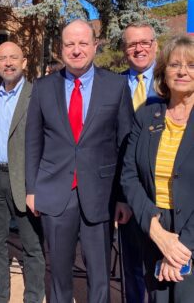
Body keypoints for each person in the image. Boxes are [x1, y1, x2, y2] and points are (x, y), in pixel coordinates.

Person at [25, 19, 134, 303]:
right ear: (60, 48)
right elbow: (33, 141)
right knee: (59, 275)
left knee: (99, 276)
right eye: (69, 44)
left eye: (83, 43)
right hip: (55, 192)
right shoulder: (43, 87)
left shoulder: (115, 86)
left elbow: (125, 144)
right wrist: (31, 189)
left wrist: (123, 197)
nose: (76, 50)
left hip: (101, 194)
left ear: (95, 45)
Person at [121, 35, 194, 302]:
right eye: (175, 64)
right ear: (164, 72)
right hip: (153, 226)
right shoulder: (147, 115)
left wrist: (180, 246)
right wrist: (156, 232)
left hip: (191, 231)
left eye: (191, 65)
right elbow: (129, 175)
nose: (183, 71)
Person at [0, 42, 45, 303]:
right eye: (2, 59)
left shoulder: (38, 96)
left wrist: (39, 185)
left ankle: (32, 297)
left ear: (24, 62)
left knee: (32, 246)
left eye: (13, 57)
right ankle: (0, 296)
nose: (8, 62)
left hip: (25, 180)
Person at [120, 21, 161, 303]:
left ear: (155, 45)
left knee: (163, 267)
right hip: (128, 190)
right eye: (132, 44)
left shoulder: (170, 82)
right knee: (131, 266)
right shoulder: (113, 84)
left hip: (165, 192)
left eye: (144, 42)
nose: (139, 49)